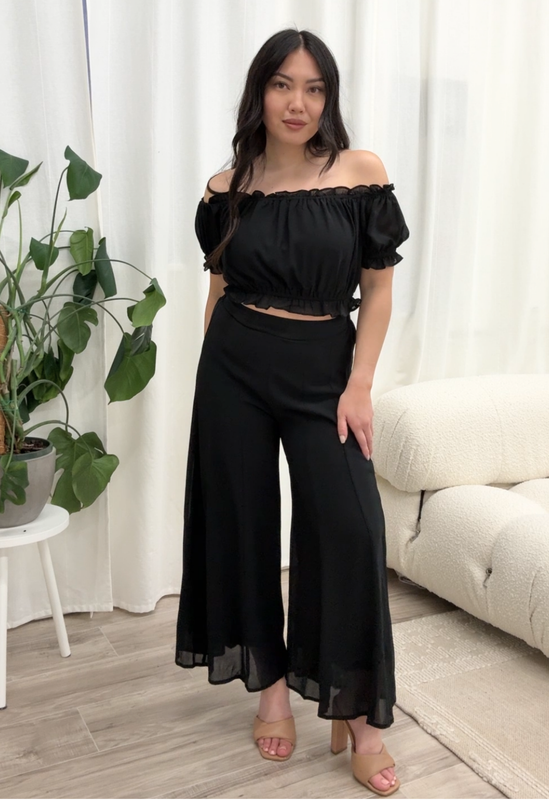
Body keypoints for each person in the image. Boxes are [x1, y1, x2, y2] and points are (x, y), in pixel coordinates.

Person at [175, 26, 409, 798]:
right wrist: (214, 378)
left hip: (325, 374)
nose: (298, 102)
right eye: (283, 84)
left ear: (328, 97)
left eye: (314, 87)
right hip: (234, 369)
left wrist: (360, 384)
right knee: (242, 526)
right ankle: (271, 690)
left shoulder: (360, 173)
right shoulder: (225, 189)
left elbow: (377, 288)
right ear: (260, 92)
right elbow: (217, 290)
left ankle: (359, 716)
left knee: (350, 528)